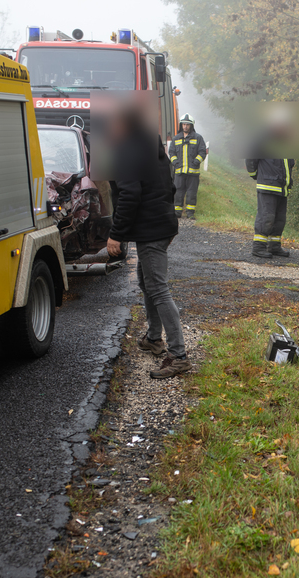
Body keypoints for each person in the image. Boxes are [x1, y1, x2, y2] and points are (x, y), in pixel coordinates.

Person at [105, 109, 191, 379]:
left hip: (152, 229)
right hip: (160, 226)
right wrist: (170, 222)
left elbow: (130, 194)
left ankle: (179, 355)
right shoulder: (151, 147)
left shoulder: (127, 152)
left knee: (158, 288)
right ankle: (154, 338)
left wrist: (115, 234)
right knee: (147, 282)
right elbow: (170, 187)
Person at [245, 157, 295, 258]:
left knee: (280, 220)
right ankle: (258, 247)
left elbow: (290, 163)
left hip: (282, 188)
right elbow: (251, 158)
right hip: (267, 186)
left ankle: (274, 246)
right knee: (266, 218)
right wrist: (256, 175)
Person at [168, 113, 207, 219]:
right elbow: (171, 153)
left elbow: (202, 152)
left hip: (193, 172)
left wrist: (196, 161)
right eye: (184, 124)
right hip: (179, 172)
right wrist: (175, 162)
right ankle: (177, 212)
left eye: (187, 125)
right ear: (181, 125)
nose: (185, 126)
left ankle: (190, 213)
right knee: (178, 193)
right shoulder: (176, 138)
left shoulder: (198, 138)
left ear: (191, 126)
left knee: (192, 193)